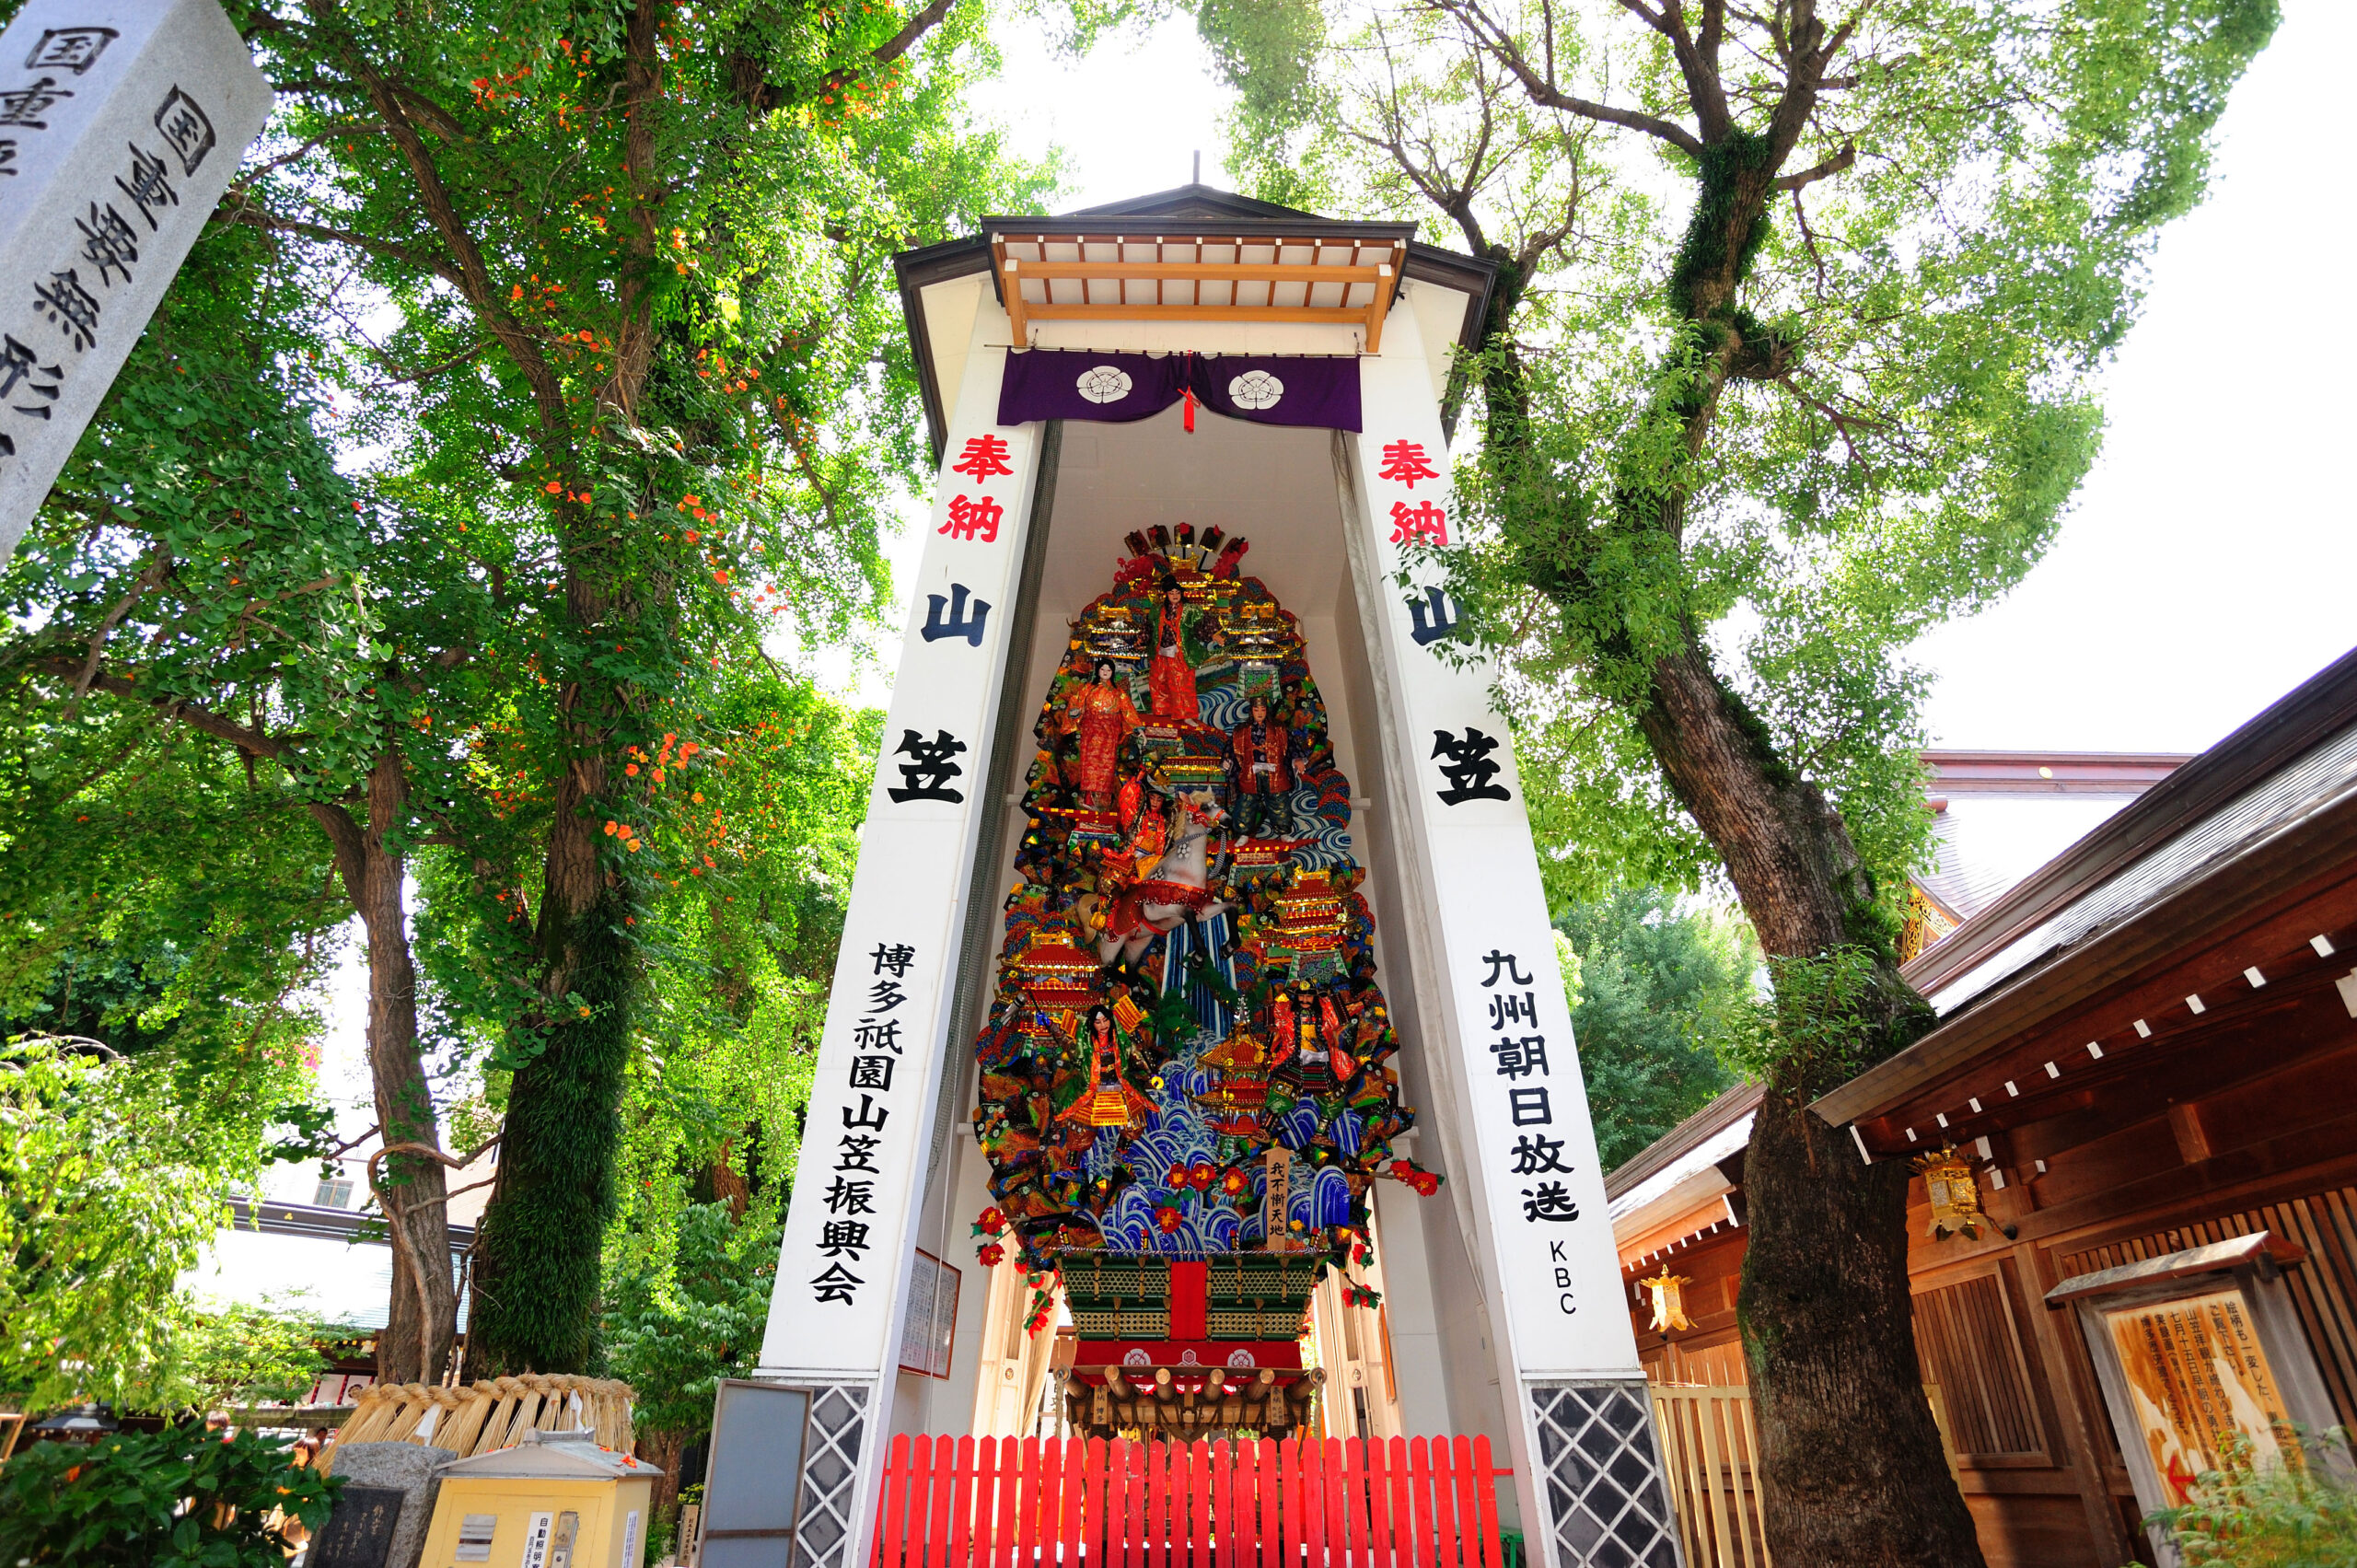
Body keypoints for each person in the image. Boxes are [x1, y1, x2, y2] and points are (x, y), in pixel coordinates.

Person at [1062, 658, 1142, 806]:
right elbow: (1076, 703)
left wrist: (1138, 729)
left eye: (1108, 670)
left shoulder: (1118, 692)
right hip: (1091, 730)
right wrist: (1075, 714)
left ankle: (1103, 800)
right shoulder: (1088, 689)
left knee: (1107, 766)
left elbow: (1127, 710)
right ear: (1098, 671)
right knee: (1089, 764)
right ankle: (1087, 798)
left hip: (1109, 732)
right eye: (1103, 669)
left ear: (1112, 672)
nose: (1105, 673)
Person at [1227, 691, 1297, 840]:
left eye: (1263, 710)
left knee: (1279, 800)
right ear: (1251, 711)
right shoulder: (1240, 730)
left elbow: (1291, 745)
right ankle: (1242, 833)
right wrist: (1227, 761)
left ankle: (1283, 832)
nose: (1260, 713)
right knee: (1246, 801)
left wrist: (1297, 759)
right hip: (1250, 771)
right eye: (1256, 710)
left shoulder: (1279, 728)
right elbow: (1232, 749)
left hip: (1274, 770)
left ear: (1267, 711)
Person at [1147, 580, 1217, 724]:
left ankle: (1186, 715)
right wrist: (1141, 641)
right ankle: (1163, 711)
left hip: (1180, 653)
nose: (1174, 595)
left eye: (1177, 593)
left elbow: (1202, 625)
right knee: (1158, 682)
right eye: (1171, 593)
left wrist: (1213, 635)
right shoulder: (1157, 610)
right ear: (1166, 594)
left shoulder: (1189, 610)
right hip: (1160, 652)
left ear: (1181, 594)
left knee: (1182, 685)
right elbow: (1148, 627)